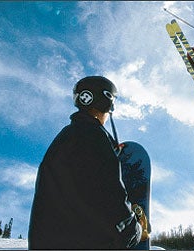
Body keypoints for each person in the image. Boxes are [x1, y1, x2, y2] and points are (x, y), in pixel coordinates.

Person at [28, 76, 148, 249]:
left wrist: (110, 153)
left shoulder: (65, 139)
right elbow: (108, 196)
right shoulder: (94, 137)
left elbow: (79, 184)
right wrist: (134, 229)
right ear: (108, 102)